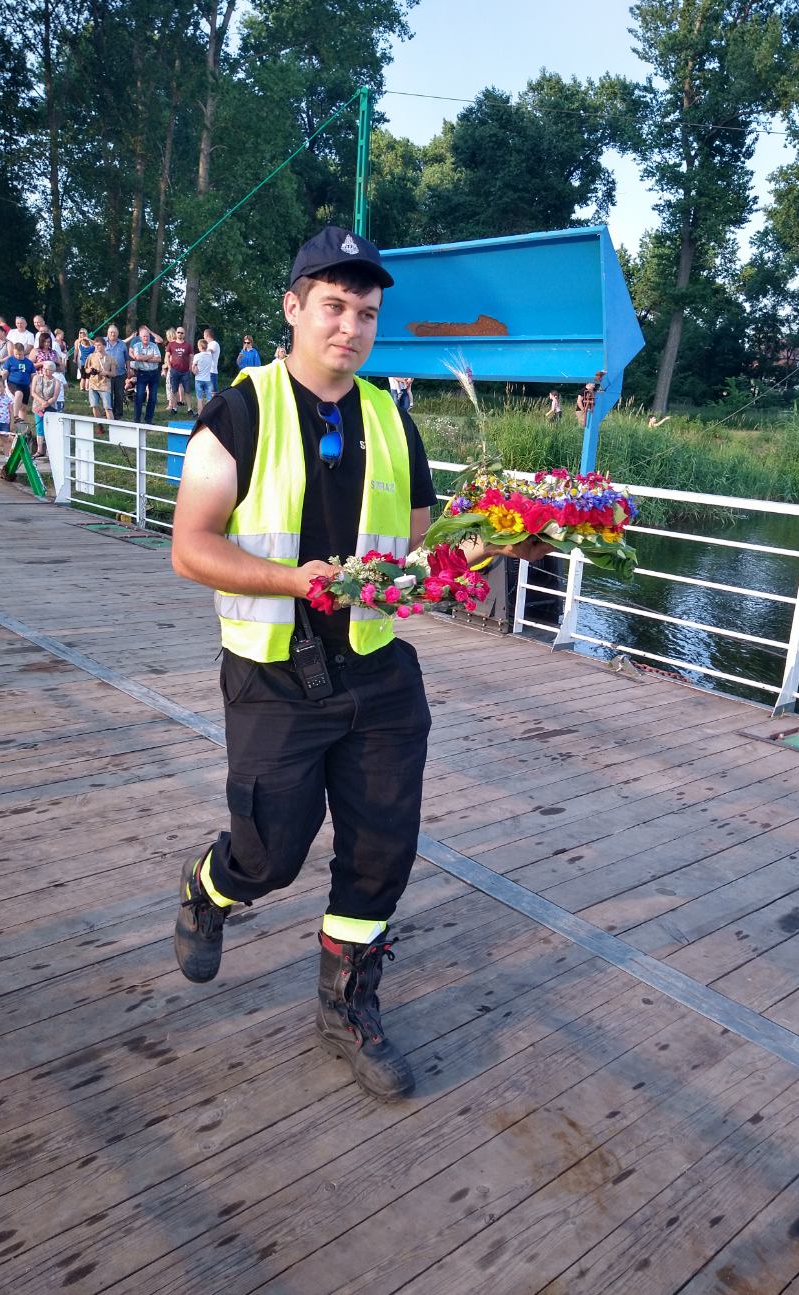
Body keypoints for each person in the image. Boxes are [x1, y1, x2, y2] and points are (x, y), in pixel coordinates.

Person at [168, 226, 551, 1100]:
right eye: (333, 306)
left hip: (377, 672)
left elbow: (419, 553)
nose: (349, 326)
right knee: (271, 852)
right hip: (273, 671)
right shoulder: (241, 411)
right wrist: (290, 578)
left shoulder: (389, 418)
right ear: (293, 307)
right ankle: (207, 886)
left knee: (381, 850)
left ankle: (346, 1005)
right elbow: (191, 547)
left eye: (366, 313)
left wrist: (496, 544)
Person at [129, 324, 162, 423]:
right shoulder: (136, 345)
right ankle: (137, 419)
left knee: (152, 397)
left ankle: (148, 419)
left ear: (149, 337)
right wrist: (151, 356)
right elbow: (137, 357)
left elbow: (159, 359)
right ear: (140, 337)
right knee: (139, 397)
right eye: (143, 336)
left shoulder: (154, 345)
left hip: (154, 374)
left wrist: (145, 358)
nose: (145, 338)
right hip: (142, 374)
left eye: (147, 336)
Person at [29, 361, 60, 458]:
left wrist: (47, 403)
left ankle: (49, 450)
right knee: (39, 428)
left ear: (52, 371)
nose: (45, 371)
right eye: (44, 368)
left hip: (50, 407)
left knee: (49, 429)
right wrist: (42, 402)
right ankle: (39, 450)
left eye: (47, 369)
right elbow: (33, 392)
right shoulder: (36, 378)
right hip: (38, 407)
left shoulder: (57, 382)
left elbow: (55, 397)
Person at [84, 336, 116, 424]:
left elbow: (114, 373)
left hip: (105, 385)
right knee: (94, 405)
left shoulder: (110, 358)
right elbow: (86, 369)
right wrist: (89, 370)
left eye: (99, 345)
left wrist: (106, 373)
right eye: (95, 345)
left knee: (107, 407)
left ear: (104, 346)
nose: (97, 347)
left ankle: (112, 426)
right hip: (93, 384)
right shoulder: (91, 356)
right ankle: (99, 425)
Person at [1, 342, 35, 428]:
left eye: (19, 354)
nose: (18, 356)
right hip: (13, 383)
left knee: (23, 408)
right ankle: (15, 416)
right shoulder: (10, 360)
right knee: (19, 394)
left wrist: (33, 387)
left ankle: (22, 429)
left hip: (25, 385)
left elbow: (33, 376)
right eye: (16, 354)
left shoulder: (29, 363)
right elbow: (5, 373)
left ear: (23, 352)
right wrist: (2, 379)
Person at [165, 326, 194, 412]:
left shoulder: (188, 345)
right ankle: (174, 408)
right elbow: (167, 356)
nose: (180, 334)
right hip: (174, 370)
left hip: (185, 371)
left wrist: (190, 366)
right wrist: (169, 367)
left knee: (187, 391)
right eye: (178, 332)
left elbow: (191, 356)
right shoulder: (171, 344)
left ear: (184, 334)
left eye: (182, 333)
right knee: (174, 391)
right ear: (176, 333)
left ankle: (189, 409)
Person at [104, 325, 128, 419]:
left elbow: (127, 358)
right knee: (108, 394)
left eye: (115, 332)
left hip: (120, 373)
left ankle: (118, 413)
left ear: (117, 334)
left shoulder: (122, 344)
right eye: (111, 332)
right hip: (107, 374)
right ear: (108, 333)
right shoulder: (103, 342)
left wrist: (129, 370)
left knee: (119, 394)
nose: (113, 334)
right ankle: (109, 412)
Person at [190, 338, 214, 414]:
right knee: (209, 399)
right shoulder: (210, 355)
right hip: (208, 380)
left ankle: (200, 415)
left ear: (200, 347)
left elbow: (193, 368)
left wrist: (194, 370)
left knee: (199, 398)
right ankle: (208, 415)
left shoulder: (197, 356)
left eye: (198, 346)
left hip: (198, 379)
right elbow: (211, 351)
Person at [203, 327, 220, 397]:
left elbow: (210, 351)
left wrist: (201, 354)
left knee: (213, 392)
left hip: (212, 371)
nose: (203, 337)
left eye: (204, 335)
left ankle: (215, 405)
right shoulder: (210, 344)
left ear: (207, 335)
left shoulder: (213, 343)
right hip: (208, 371)